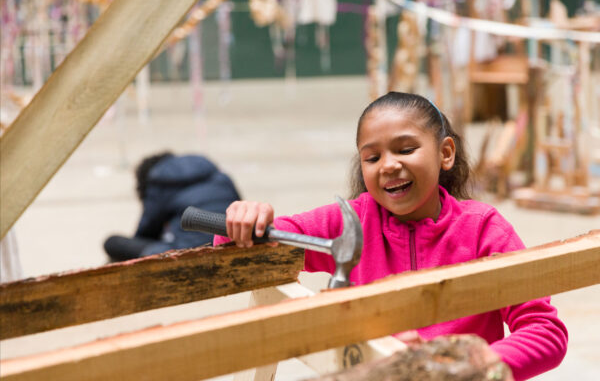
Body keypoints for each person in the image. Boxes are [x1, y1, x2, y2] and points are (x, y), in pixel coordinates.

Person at [213, 92, 568, 380]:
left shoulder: (484, 230)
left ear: (445, 153)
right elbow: (248, 249)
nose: (388, 165)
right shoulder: (350, 221)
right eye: (372, 157)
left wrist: (469, 365)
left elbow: (545, 332)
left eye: (405, 149)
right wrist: (246, 222)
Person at [104, 152, 241, 260]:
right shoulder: (217, 174)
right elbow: (238, 210)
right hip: (232, 244)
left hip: (188, 253)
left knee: (112, 242)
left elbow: (146, 232)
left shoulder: (157, 181)